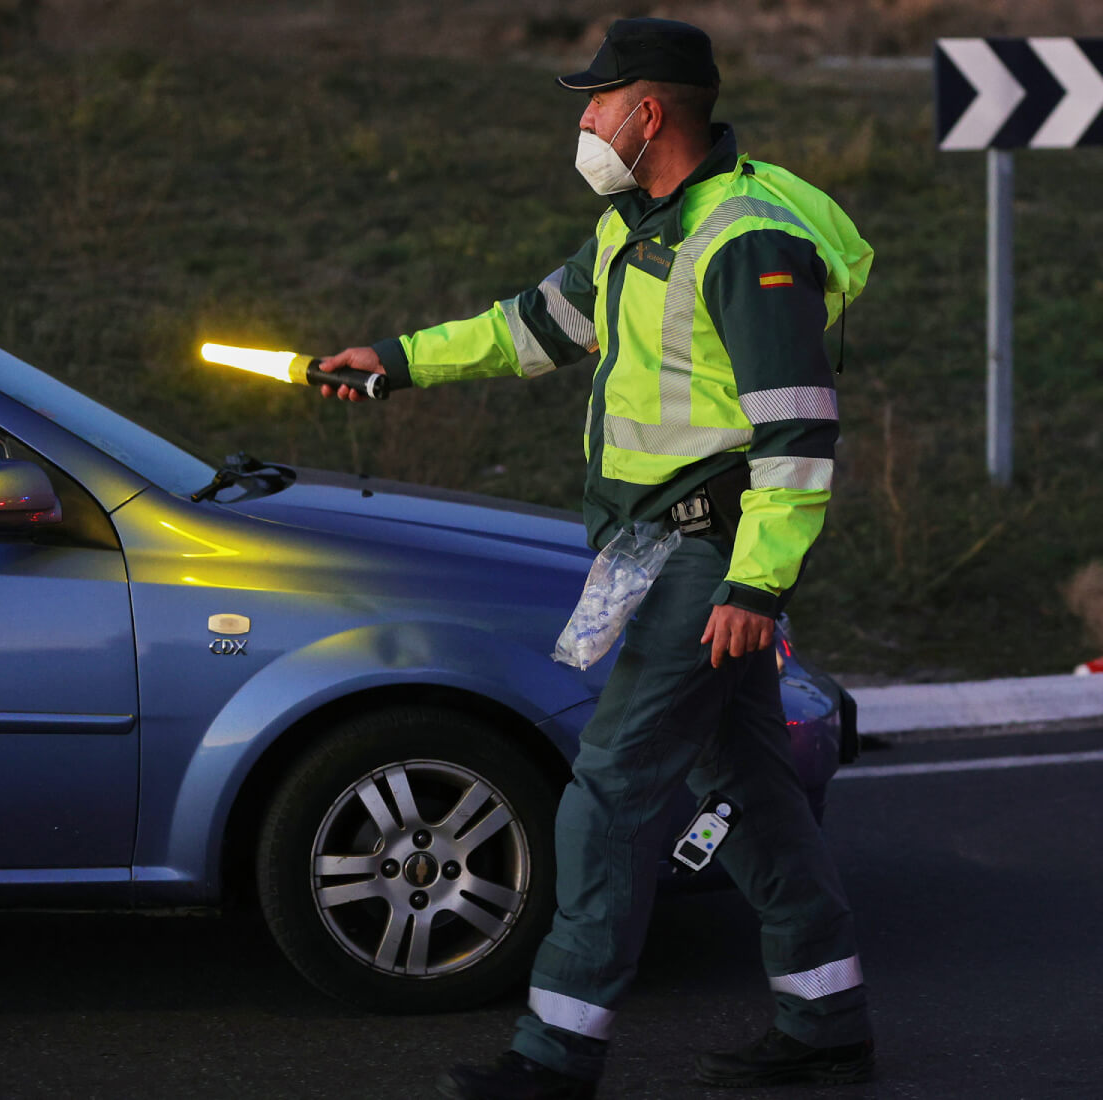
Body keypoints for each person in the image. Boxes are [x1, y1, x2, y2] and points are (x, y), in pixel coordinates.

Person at [316, 17, 875, 1099]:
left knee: (608, 790)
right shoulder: (639, 228)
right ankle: (829, 1013)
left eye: (596, 99)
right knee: (752, 785)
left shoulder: (744, 241)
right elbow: (530, 325)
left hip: (707, 560)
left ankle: (556, 1053)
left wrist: (758, 582)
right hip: (664, 547)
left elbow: (800, 434)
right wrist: (393, 364)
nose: (583, 119)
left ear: (648, 113)